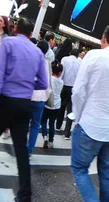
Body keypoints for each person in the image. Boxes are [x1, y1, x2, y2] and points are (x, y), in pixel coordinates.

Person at [71, 25, 109, 202]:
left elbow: (78, 92)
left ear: (104, 39)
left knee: (79, 169)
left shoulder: (93, 56)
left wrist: (78, 116)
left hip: (90, 125)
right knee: (106, 173)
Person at [0, 18, 49, 201]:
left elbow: (0, 72)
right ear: (30, 35)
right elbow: (43, 83)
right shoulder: (37, 53)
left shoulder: (8, 43)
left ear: (15, 30)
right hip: (24, 104)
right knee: (21, 149)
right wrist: (27, 84)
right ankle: (25, 194)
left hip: (5, 100)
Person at [27, 40, 52, 156]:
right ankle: (29, 151)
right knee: (35, 126)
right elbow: (48, 83)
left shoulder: (30, 58)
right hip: (40, 98)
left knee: (23, 123)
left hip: (28, 96)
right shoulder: (47, 63)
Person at [57, 48, 80, 140]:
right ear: (77, 55)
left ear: (70, 53)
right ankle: (67, 133)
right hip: (73, 88)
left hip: (64, 85)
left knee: (61, 107)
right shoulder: (80, 63)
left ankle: (58, 125)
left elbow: (61, 73)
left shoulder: (65, 59)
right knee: (70, 110)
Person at [42, 61, 64, 149]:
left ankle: (45, 136)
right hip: (57, 105)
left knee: (43, 121)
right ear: (59, 72)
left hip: (48, 104)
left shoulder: (50, 79)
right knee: (52, 123)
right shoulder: (61, 82)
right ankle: (51, 141)